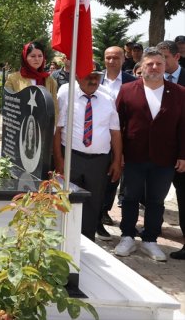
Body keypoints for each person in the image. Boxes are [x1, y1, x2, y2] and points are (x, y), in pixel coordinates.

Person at [114, 47, 185, 261]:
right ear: (142, 66)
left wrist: (183, 155)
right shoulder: (127, 90)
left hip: (165, 158)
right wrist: (119, 154)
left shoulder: (179, 93)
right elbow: (118, 123)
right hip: (134, 156)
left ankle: (150, 240)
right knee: (130, 197)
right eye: (150, 64)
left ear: (165, 66)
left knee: (156, 200)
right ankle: (127, 236)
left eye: (159, 64)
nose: (154, 68)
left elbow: (183, 126)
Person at [53, 70, 122, 242]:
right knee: (66, 200)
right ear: (77, 76)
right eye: (88, 75)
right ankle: (64, 241)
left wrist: (117, 161)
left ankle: (87, 242)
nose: (92, 80)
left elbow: (115, 132)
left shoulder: (107, 98)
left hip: (99, 162)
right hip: (71, 158)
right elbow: (57, 130)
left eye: (96, 76)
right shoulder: (66, 94)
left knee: (93, 204)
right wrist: (59, 160)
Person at [99, 46, 137, 228]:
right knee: (99, 173)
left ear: (124, 59)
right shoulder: (94, 79)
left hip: (122, 134)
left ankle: (105, 209)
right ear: (104, 59)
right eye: (108, 58)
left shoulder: (133, 81)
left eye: (116, 58)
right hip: (98, 133)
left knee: (115, 172)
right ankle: (97, 211)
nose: (112, 61)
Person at [156, 40, 185, 260]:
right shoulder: (153, 81)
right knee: (154, 195)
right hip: (158, 152)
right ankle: (151, 232)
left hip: (182, 155)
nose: (161, 62)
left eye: (165, 57)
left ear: (177, 57)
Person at [4, 42, 59, 121]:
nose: (37, 59)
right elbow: (9, 106)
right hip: (21, 125)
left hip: (44, 127)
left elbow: (54, 106)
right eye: (33, 56)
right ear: (25, 57)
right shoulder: (13, 79)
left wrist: (53, 127)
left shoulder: (50, 80)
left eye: (40, 56)